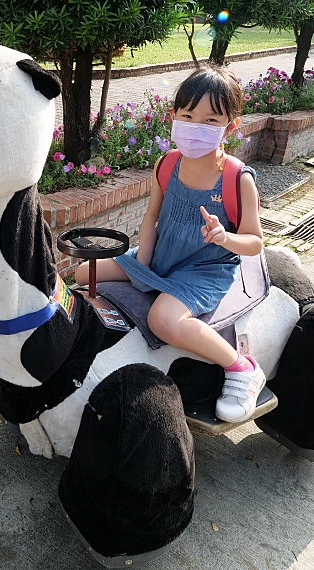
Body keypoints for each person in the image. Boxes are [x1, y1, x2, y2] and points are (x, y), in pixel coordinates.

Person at [74, 65, 266, 423]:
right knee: (85, 272)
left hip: (204, 269)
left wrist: (225, 237)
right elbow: (150, 219)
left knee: (162, 319)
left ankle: (241, 368)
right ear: (173, 116)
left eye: (211, 120)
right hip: (161, 255)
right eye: (188, 115)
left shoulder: (237, 178)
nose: (196, 126)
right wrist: (142, 264)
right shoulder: (167, 163)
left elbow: (255, 242)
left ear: (231, 125)